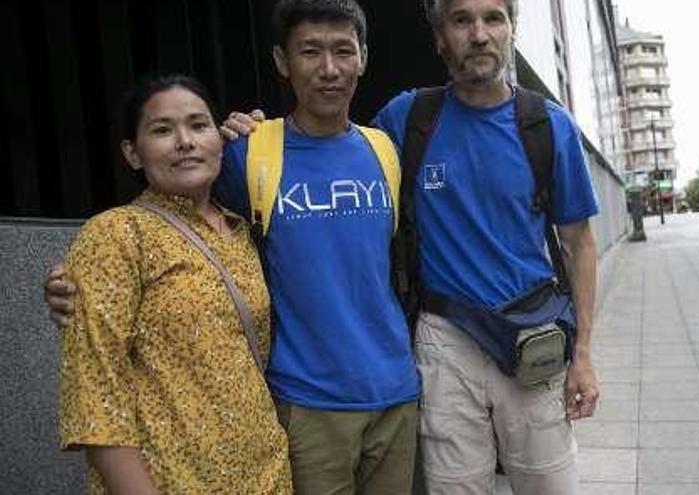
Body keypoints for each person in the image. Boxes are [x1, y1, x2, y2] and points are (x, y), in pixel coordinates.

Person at [220, 0, 599, 492]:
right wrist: (243, 132)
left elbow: (580, 244)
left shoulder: (548, 126)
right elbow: (323, 149)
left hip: (532, 342)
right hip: (444, 343)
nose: (479, 34)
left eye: (493, 19)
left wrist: (585, 355)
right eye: (461, 21)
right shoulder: (407, 120)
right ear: (440, 38)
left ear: (512, 31)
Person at [47, 2, 421, 494]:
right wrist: (72, 282)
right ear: (281, 61)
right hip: (305, 404)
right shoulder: (248, 155)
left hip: (387, 396)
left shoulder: (383, 149)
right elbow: (151, 222)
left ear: (363, 58)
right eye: (310, 51)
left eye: (342, 51)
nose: (329, 68)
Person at [56, 75, 291, 494]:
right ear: (132, 152)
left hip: (265, 476)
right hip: (172, 480)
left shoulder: (239, 230)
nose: (185, 141)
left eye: (198, 125)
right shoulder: (116, 236)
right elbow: (96, 399)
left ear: (219, 138)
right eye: (162, 130)